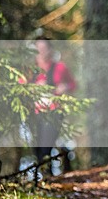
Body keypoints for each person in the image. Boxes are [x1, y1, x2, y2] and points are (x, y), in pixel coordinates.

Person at [27, 36, 77, 173]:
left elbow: (73, 84)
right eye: (38, 49)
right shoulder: (30, 70)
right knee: (36, 146)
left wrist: (64, 87)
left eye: (44, 48)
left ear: (50, 49)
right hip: (34, 112)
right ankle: (42, 176)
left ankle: (47, 175)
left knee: (46, 145)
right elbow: (20, 87)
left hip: (54, 111)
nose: (41, 51)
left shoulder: (60, 67)